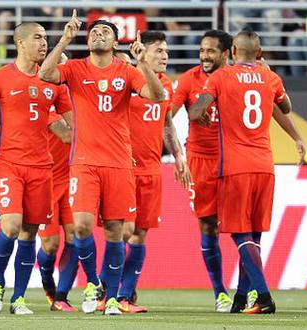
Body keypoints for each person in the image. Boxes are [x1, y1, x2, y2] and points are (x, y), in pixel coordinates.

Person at [39, 11, 166, 315]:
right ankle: (94, 282)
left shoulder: (126, 71)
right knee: (81, 227)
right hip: (83, 162)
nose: (99, 35)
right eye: (94, 32)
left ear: (114, 41)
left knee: (114, 231)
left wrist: (143, 64)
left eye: (105, 32)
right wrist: (65, 39)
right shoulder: (75, 68)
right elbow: (45, 74)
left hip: (119, 163)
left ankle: (110, 298)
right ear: (88, 39)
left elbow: (157, 95)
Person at [0, 22, 72, 315]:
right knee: (11, 225)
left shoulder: (55, 81)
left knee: (29, 232)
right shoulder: (0, 78)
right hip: (10, 163)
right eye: (38, 38)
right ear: (20, 43)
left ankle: (19, 298)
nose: (44, 43)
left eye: (46, 39)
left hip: (42, 167)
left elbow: (73, 126)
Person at [189, 29, 296, 314]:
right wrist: (269, 77)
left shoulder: (221, 77)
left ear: (233, 52)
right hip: (265, 165)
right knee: (255, 235)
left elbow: (195, 111)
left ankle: (263, 295)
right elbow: (286, 106)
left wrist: (210, 115)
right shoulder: (270, 78)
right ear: (259, 54)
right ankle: (241, 296)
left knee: (238, 233)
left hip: (235, 167)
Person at [118, 31, 191, 313]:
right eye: (158, 50)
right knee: (122, 231)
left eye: (166, 51)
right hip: (123, 168)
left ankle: (123, 294)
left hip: (152, 169)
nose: (164, 56)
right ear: (142, 53)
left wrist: (178, 155)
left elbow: (167, 124)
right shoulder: (125, 80)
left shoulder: (166, 87)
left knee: (139, 234)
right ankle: (107, 287)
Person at [170, 29, 235, 312]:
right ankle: (220, 292)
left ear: (226, 54)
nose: (204, 56)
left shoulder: (238, 78)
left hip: (235, 160)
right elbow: (165, 118)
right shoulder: (188, 79)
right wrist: (178, 156)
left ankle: (249, 289)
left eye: (210, 51)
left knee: (243, 228)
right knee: (207, 225)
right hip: (200, 162)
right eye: (202, 50)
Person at [36, 51, 79, 313]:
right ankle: (46, 279)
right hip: (47, 180)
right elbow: (65, 136)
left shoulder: (76, 98)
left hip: (73, 178)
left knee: (76, 237)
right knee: (50, 245)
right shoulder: (43, 99)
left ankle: (62, 296)